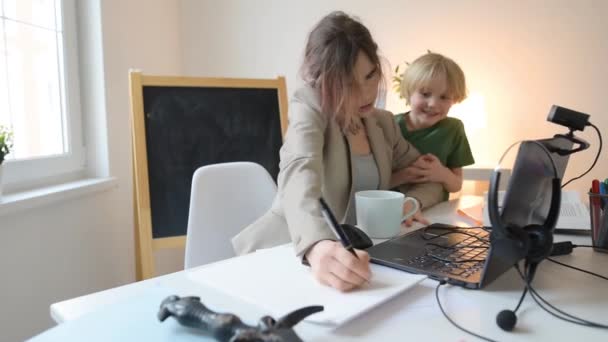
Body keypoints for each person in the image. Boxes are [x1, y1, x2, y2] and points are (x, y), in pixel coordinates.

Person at [232, 11, 443, 292]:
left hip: (361, 256)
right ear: (323, 83)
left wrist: (408, 204)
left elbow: (431, 179)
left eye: (370, 76)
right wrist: (316, 246)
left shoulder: (382, 123)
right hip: (288, 253)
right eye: (348, 85)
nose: (366, 93)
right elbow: (298, 171)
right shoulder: (310, 105)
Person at [391, 52, 475, 200]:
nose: (433, 104)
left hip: (435, 214)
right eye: (425, 94)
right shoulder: (390, 126)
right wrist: (405, 175)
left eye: (444, 97)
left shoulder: (453, 129)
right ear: (409, 91)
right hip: (392, 210)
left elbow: (456, 185)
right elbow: (376, 183)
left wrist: (441, 174)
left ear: (454, 99)